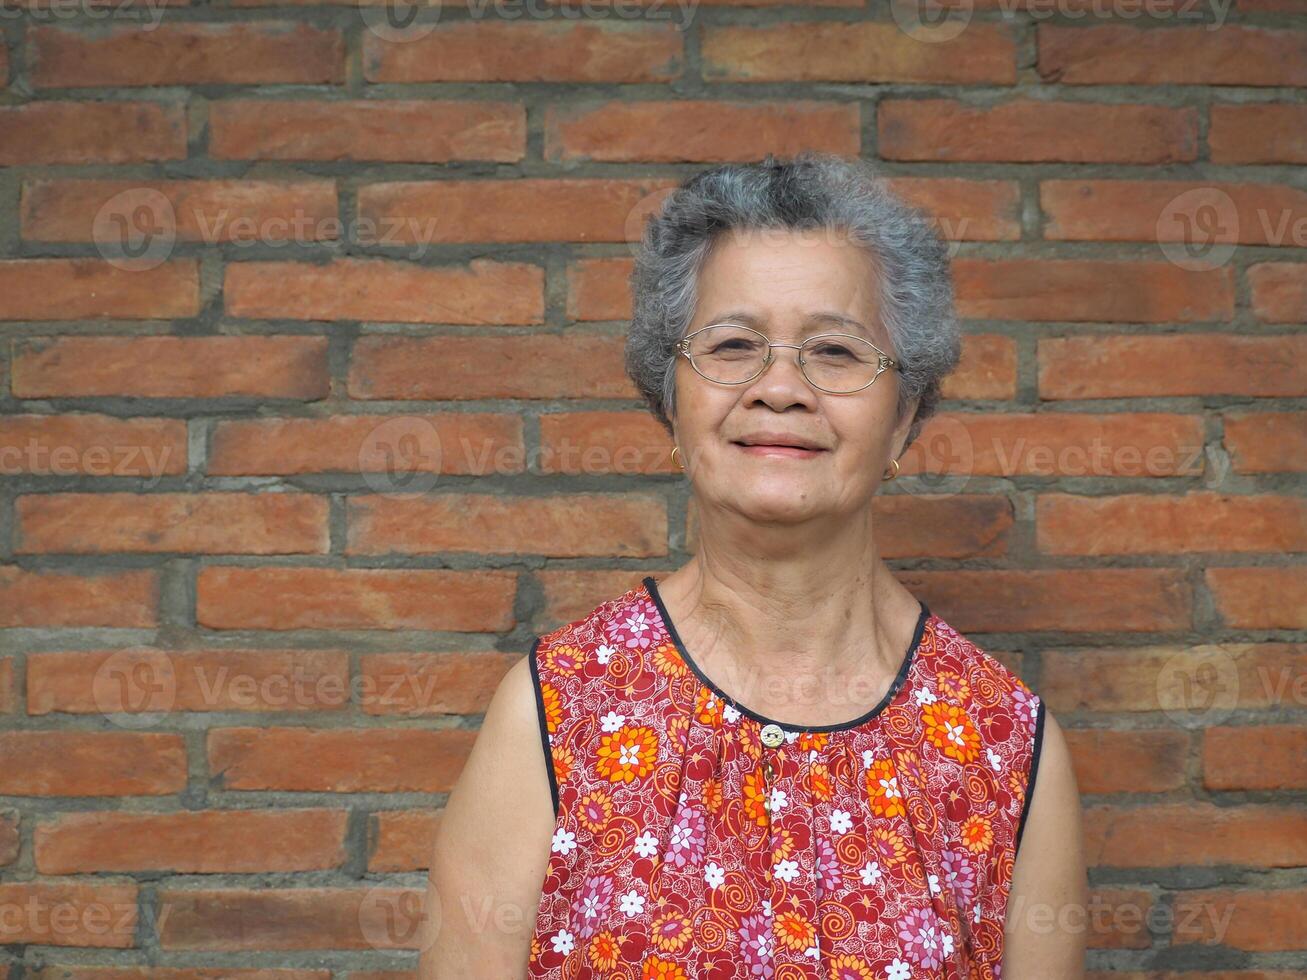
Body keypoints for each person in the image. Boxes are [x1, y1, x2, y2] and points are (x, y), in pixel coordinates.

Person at [419, 152, 1087, 978]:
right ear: (671, 400)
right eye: (732, 344)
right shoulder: (555, 715)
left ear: (905, 416)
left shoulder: (1004, 747)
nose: (780, 388)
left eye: (835, 353)